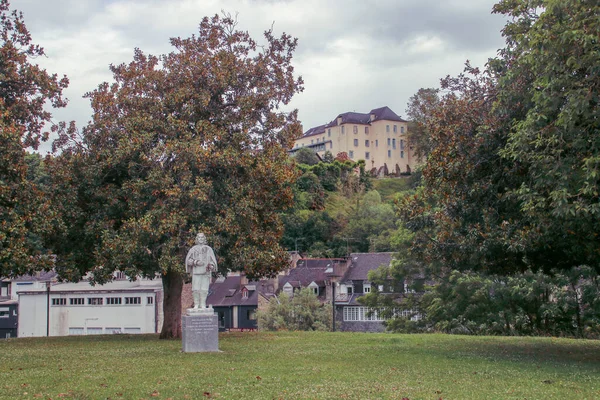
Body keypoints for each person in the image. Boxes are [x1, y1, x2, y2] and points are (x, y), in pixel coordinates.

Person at [185, 233, 217, 310]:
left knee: (204, 289)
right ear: (197, 239)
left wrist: (211, 266)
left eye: (202, 238)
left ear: (204, 239)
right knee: (195, 289)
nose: (201, 239)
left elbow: (213, 261)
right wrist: (195, 262)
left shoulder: (209, 249)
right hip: (196, 272)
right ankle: (196, 304)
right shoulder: (193, 249)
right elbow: (188, 260)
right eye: (199, 238)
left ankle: (203, 304)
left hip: (205, 272)